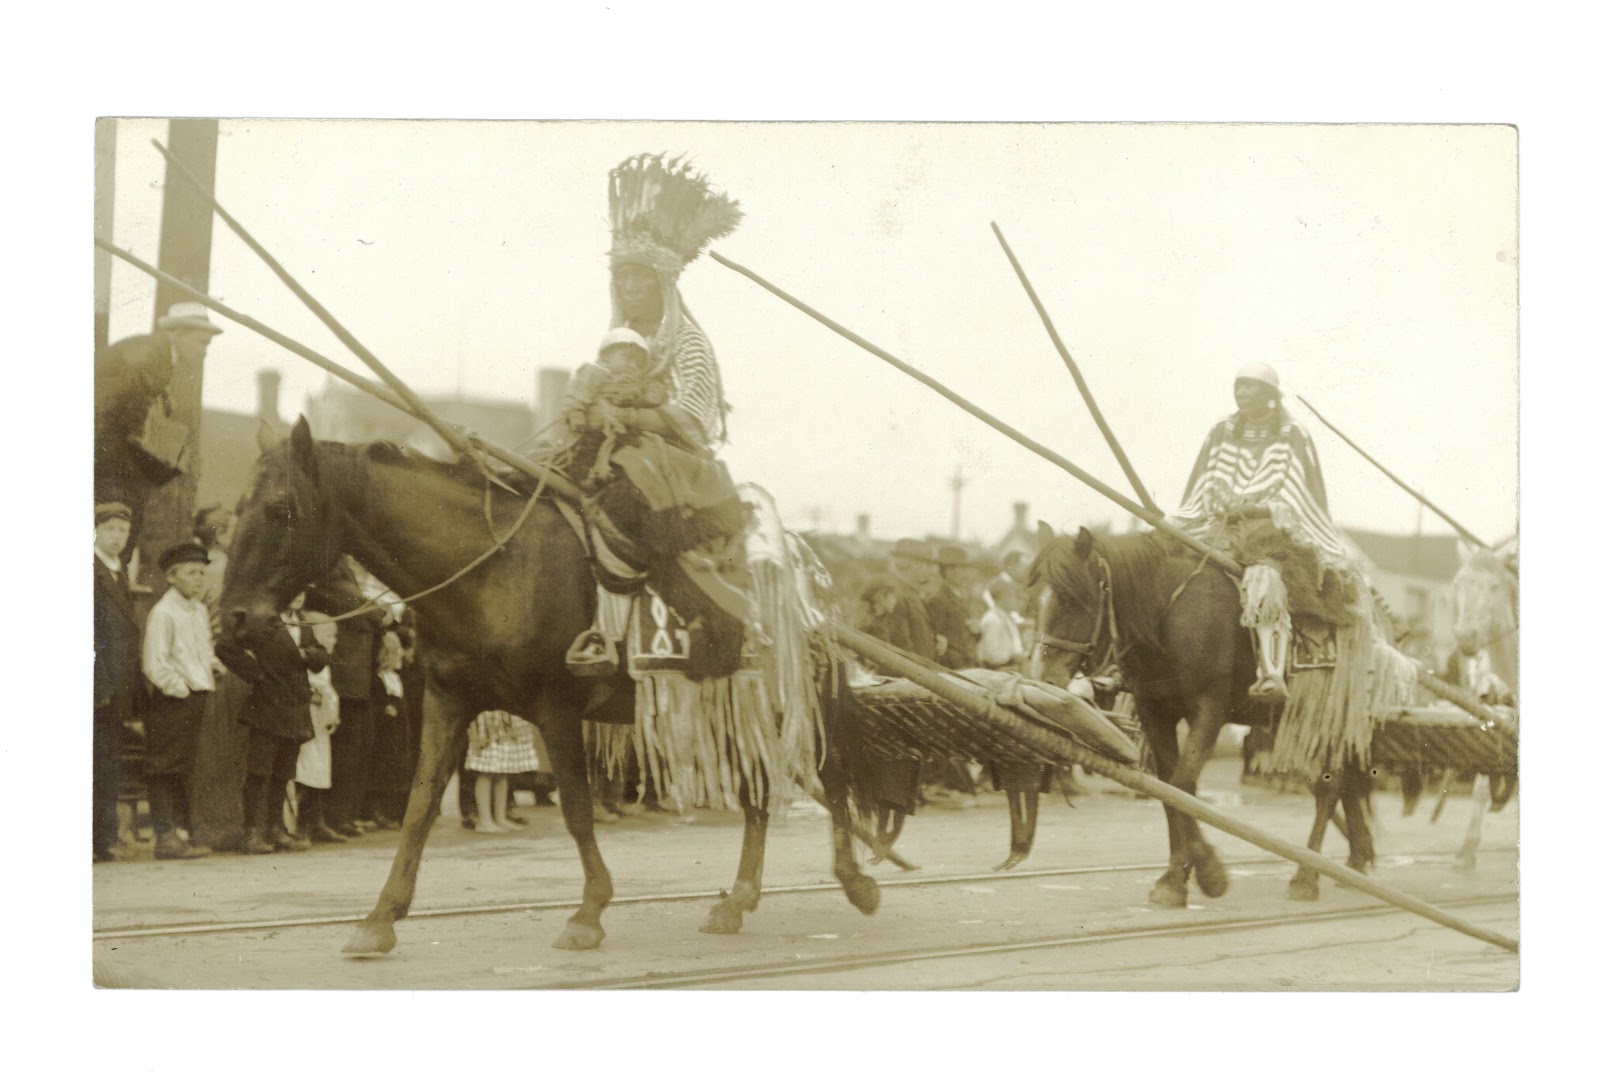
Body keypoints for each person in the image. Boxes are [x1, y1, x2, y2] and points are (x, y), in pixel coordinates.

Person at [1171, 363, 1358, 701]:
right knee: (1167, 563)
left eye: (1250, 387)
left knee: (1263, 576)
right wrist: (1214, 509)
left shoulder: (1292, 433)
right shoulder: (1221, 431)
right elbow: (1204, 483)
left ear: (1270, 395)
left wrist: (1254, 510)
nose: (1241, 392)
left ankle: (1271, 673)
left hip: (1271, 528)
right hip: (1220, 523)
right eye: (1238, 386)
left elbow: (1296, 494)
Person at [217, 592, 328, 854]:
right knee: (260, 770)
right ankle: (251, 832)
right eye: (293, 591)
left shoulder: (302, 623)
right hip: (268, 705)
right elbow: (224, 648)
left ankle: (276, 829)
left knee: (284, 771)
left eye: (302, 592)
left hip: (296, 705)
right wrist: (257, 675)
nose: (298, 597)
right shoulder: (261, 621)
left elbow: (321, 656)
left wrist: (307, 655)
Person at [140, 541, 222, 860]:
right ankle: (165, 836)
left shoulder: (198, 610)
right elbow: (154, 662)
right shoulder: (164, 612)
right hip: (172, 700)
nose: (198, 579)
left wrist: (213, 667)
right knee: (164, 765)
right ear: (172, 577)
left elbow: (202, 650)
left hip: (197, 697)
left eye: (202, 573)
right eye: (191, 573)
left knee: (185, 765)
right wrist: (181, 688)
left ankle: (183, 833)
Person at [93, 502, 141, 862]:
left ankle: (104, 839)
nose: (117, 537)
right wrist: (100, 687)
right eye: (110, 529)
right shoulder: (89, 571)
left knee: (108, 763)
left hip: (115, 688)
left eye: (123, 530)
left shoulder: (117, 572)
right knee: (94, 762)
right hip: (99, 687)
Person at [464, 711, 540, 834]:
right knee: (486, 770)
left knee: (502, 770)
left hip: (504, 717)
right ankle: (484, 820)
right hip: (487, 719)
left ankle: (500, 817)